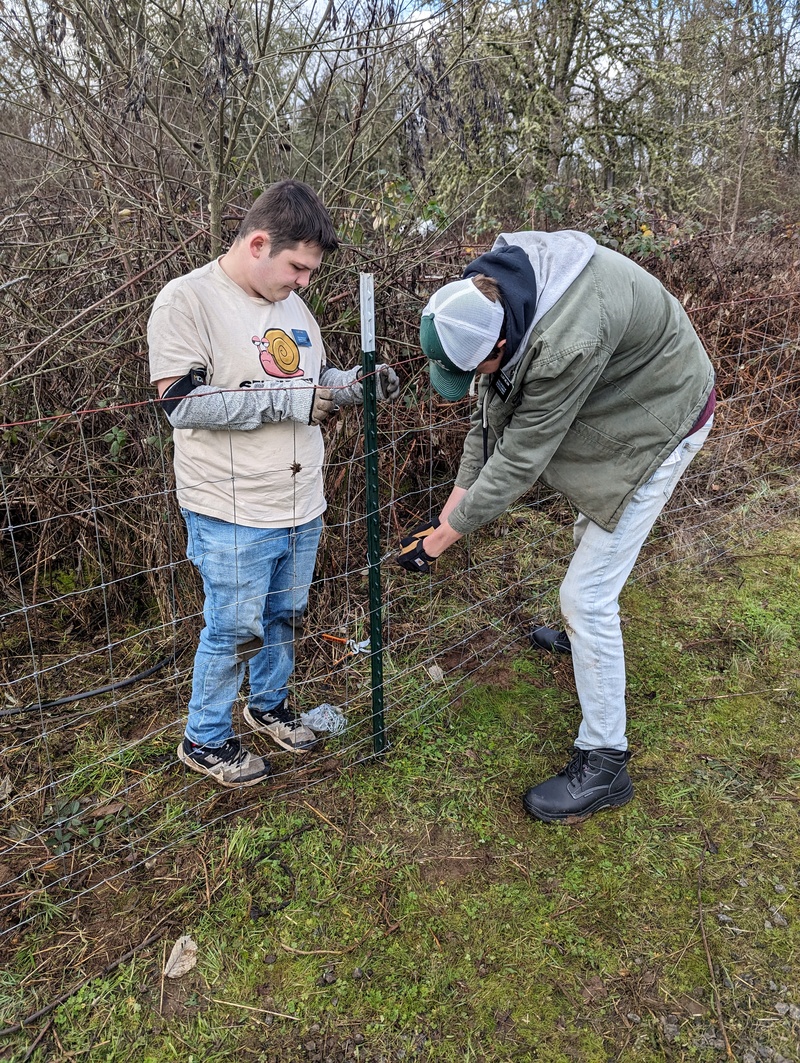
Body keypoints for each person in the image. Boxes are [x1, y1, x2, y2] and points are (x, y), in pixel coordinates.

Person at [397, 229, 715, 823]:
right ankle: (583, 647)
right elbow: (490, 417)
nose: (476, 381)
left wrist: (442, 541)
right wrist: (453, 508)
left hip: (665, 413)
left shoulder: (566, 339)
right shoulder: (496, 295)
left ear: (499, 339)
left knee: (587, 595)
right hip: (622, 390)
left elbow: (521, 455)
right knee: (588, 533)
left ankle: (605, 761)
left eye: (479, 367)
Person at [149, 179, 399, 788]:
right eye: (297, 267)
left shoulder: (292, 305)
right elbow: (181, 404)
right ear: (258, 243)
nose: (305, 282)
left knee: (286, 614)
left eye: (310, 271)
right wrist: (294, 401)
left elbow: (306, 378)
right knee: (234, 629)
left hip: (299, 500)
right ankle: (204, 740)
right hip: (232, 507)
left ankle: (269, 707)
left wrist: (350, 385)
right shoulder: (187, 301)